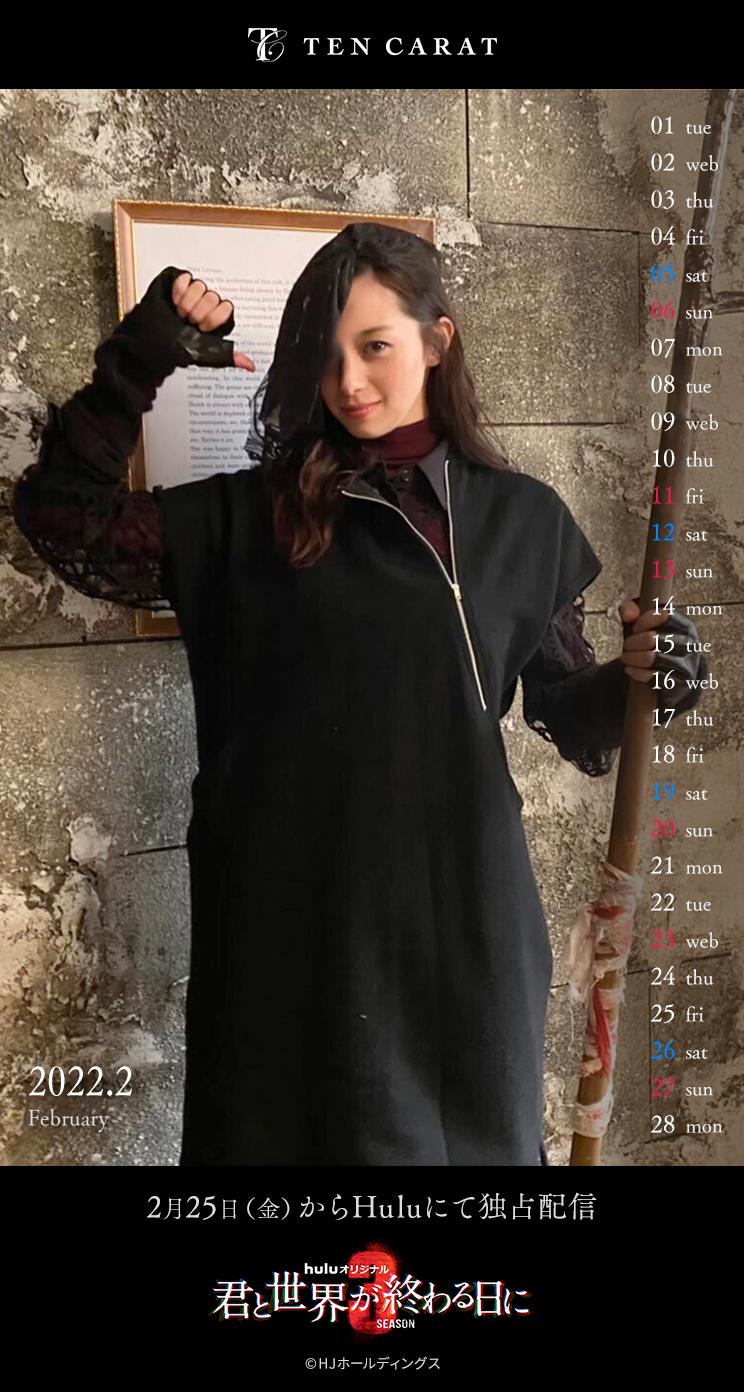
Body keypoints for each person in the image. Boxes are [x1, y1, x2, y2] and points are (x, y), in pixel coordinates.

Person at [10, 222, 708, 1167]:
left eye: (376, 346)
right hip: (292, 927)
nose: (350, 382)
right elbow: (67, 520)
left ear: (437, 341)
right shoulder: (249, 518)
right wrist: (141, 358)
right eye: (328, 356)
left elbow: (564, 706)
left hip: (465, 924)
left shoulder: (521, 519)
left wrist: (647, 680)